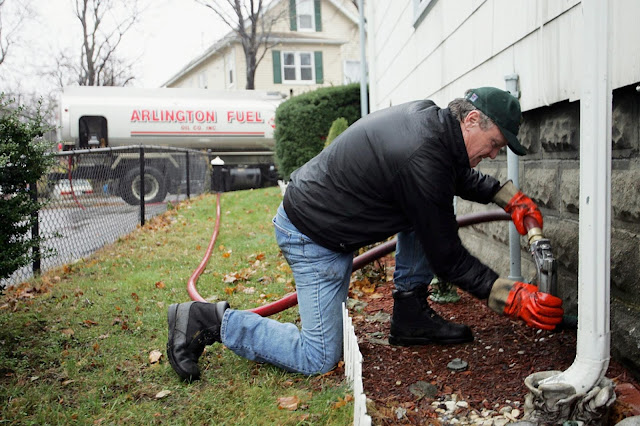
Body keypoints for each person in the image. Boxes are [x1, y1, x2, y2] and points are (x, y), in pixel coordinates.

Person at [166, 87, 564, 381]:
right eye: (494, 144)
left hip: (325, 221)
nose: (493, 154)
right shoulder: (422, 156)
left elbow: (452, 174)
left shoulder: (433, 123)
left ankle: (410, 317)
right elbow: (447, 257)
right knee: (318, 356)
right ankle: (208, 319)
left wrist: (507, 197)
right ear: (472, 120)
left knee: (422, 215)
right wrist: (509, 295)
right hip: (312, 237)